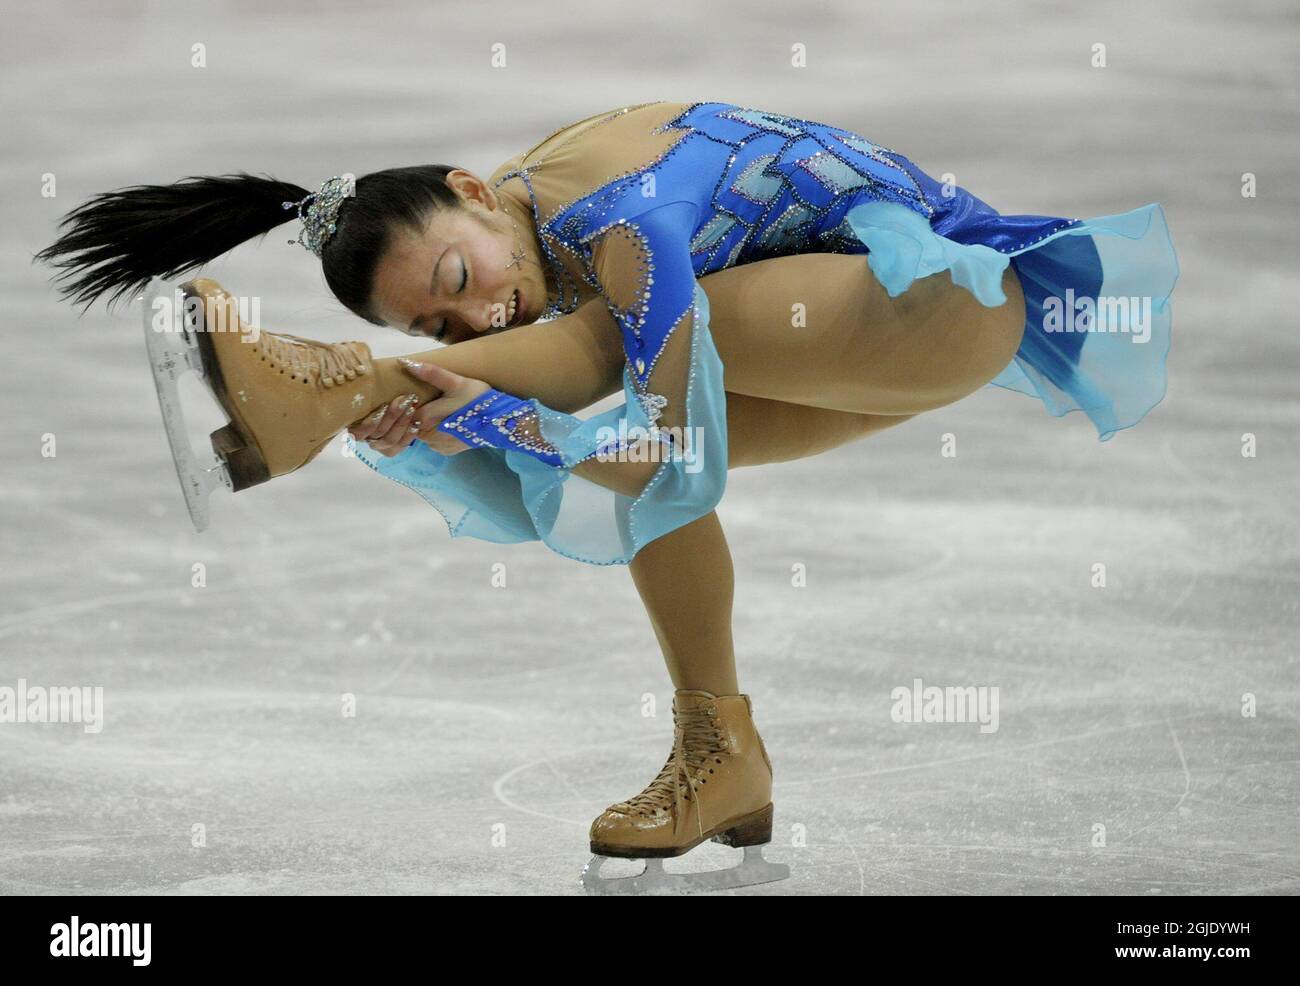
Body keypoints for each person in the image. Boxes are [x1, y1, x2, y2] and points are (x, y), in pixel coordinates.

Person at [37, 100, 1178, 893]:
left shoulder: (611, 219)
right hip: (843, 340)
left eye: (455, 283)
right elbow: (644, 471)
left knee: (601, 355)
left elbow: (650, 427)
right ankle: (718, 750)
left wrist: (439, 396)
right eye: (435, 330)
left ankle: (331, 382)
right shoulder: (533, 216)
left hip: (940, 302)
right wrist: (466, 404)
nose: (475, 321)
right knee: (635, 460)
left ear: (473, 191)